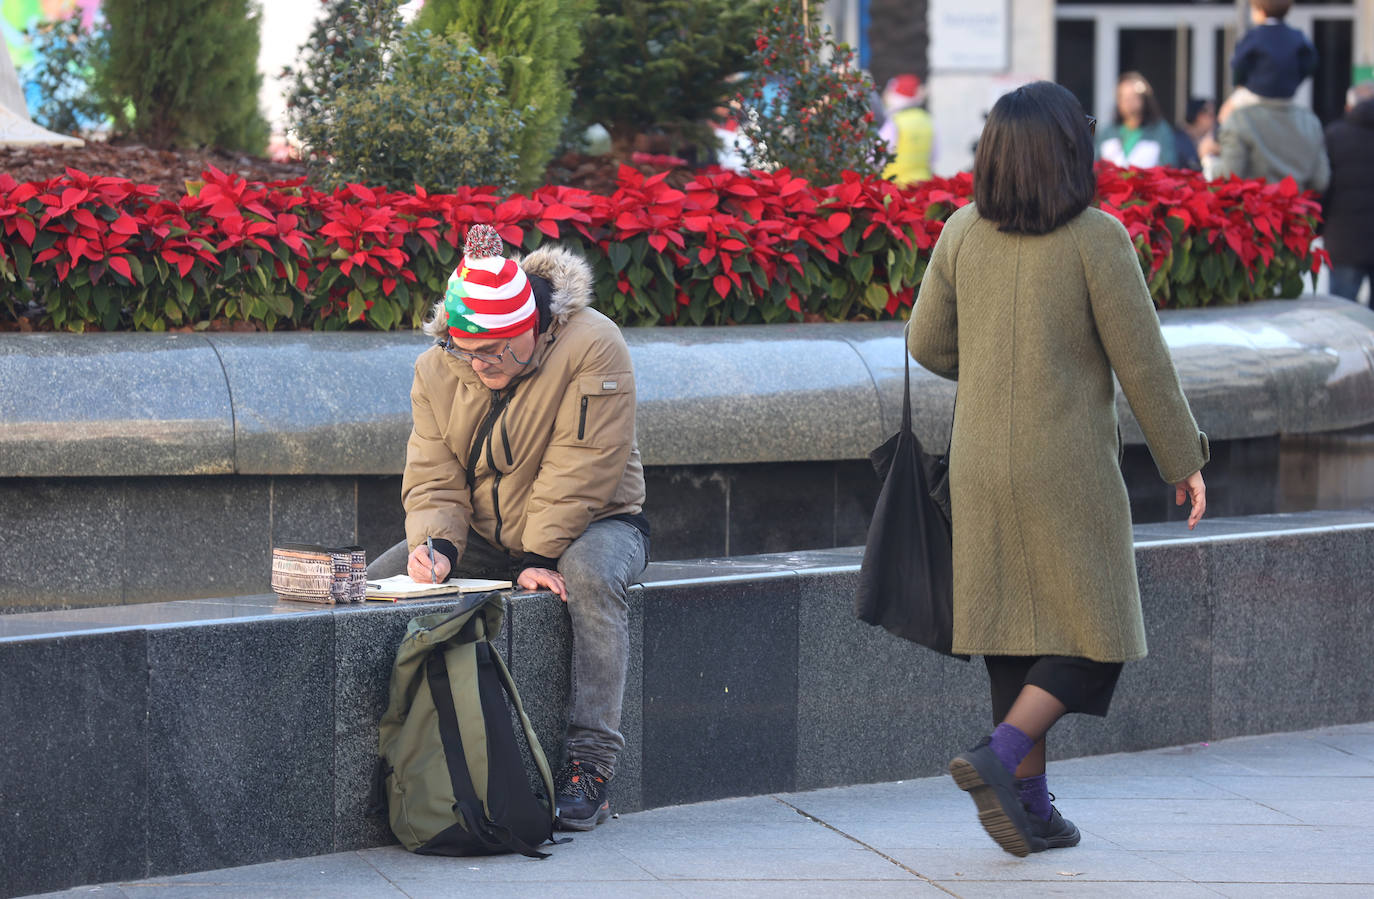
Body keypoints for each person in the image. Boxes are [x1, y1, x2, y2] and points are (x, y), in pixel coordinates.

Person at [907, 81, 1209, 857]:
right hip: (1066, 467)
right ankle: (999, 758)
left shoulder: (962, 231)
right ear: (1069, 152)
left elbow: (926, 344)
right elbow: (1143, 362)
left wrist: (997, 362)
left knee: (1014, 634)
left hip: (978, 464)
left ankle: (1033, 807)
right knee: (1099, 631)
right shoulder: (1095, 237)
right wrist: (1184, 459)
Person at [370, 223, 650, 832]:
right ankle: (391, 765)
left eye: (497, 350)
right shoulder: (437, 367)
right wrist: (438, 547)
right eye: (469, 350)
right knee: (375, 583)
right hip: (488, 538)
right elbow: (433, 469)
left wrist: (538, 554)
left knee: (593, 577)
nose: (482, 364)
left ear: (532, 326)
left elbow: (583, 468)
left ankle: (591, 767)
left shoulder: (594, 343)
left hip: (596, 523)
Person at [1321, 81, 1374, 303]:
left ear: (1349, 107)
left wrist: (1317, 226)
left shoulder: (1334, 135)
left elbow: (1322, 186)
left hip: (1343, 240)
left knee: (1343, 317)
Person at [1231, 0, 1317, 106]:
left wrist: (1240, 85)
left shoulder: (1253, 36)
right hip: (1287, 94)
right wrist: (1293, 81)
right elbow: (1310, 63)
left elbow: (1238, 64)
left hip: (1256, 93)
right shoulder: (1297, 36)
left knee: (1226, 111)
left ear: (1260, 11)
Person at [1095, 72, 1179, 168]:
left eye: (1134, 97)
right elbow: (1095, 166)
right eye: (1124, 98)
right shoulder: (1106, 132)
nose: (1129, 102)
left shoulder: (1159, 130)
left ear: (1144, 99)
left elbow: (1168, 166)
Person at [880, 73, 934, 184]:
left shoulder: (894, 121)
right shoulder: (927, 120)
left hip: (895, 187)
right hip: (922, 185)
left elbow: (878, 156)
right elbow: (934, 156)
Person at [1175, 97, 1216, 171]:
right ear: (1199, 116)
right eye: (1211, 115)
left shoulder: (1206, 138)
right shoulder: (1178, 140)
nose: (1214, 119)